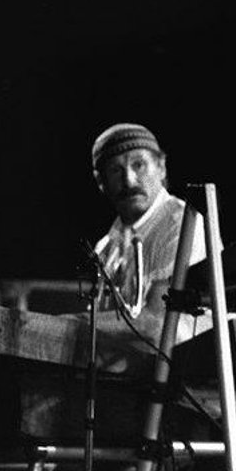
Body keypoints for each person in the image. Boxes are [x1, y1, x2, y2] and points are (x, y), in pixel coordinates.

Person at [89, 122, 210, 373]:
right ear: (101, 182)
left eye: (139, 165)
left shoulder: (184, 224)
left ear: (162, 167)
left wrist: (69, 326)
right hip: (134, 379)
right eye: (115, 171)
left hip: (188, 383)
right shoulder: (106, 248)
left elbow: (158, 323)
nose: (129, 180)